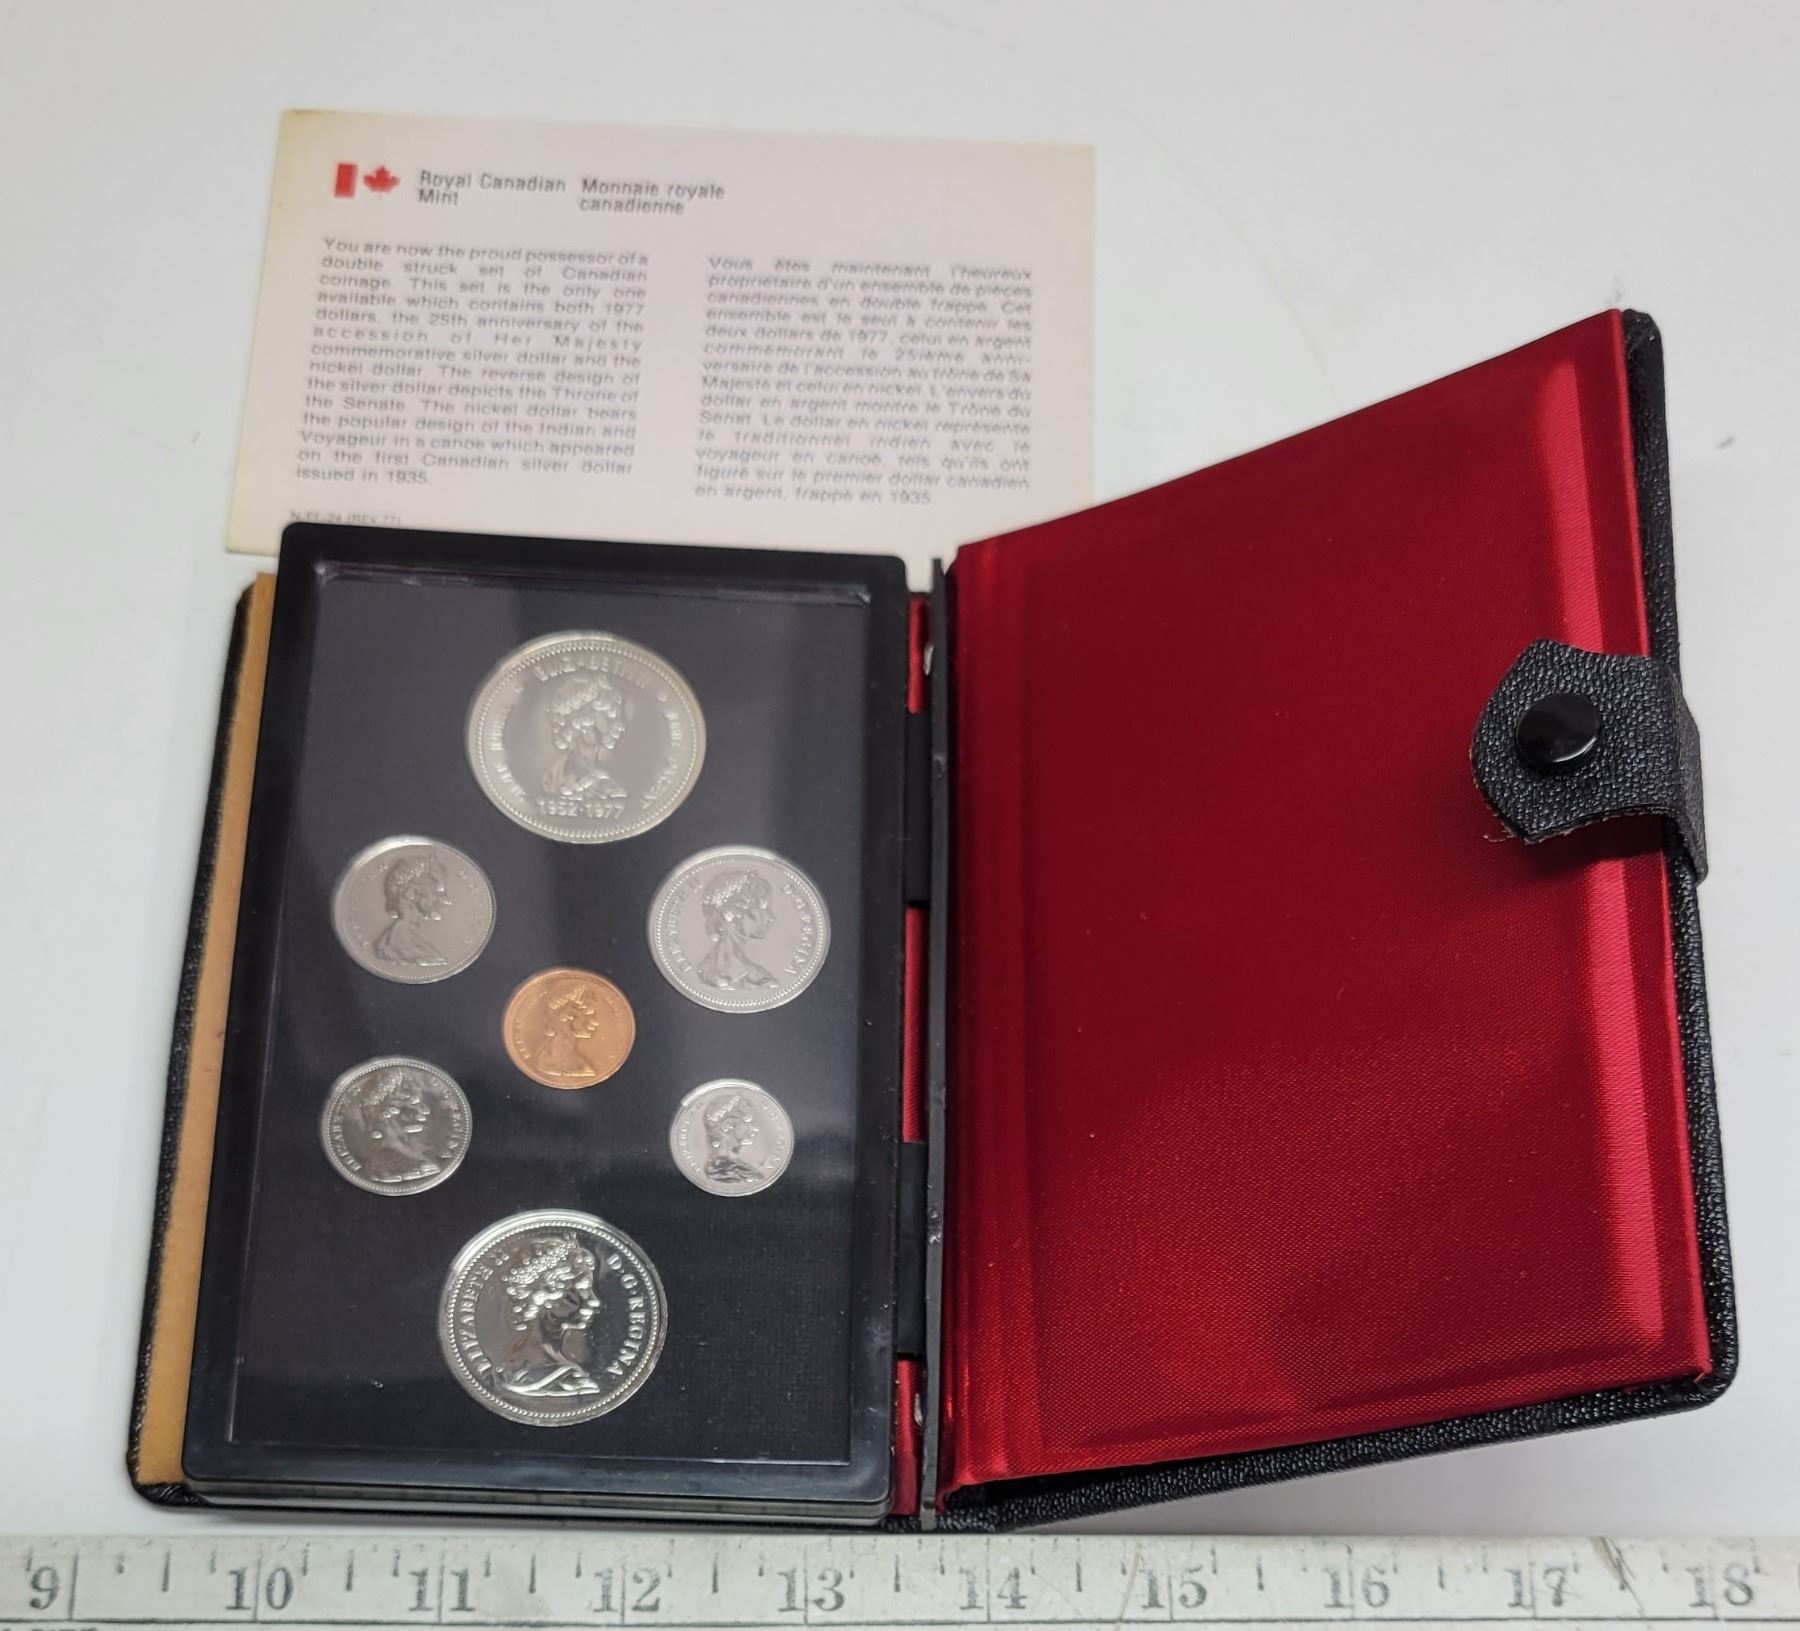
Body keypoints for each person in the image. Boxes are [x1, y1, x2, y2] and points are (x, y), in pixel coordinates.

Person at [497, 1233, 605, 1397]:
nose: (594, 1301)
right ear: (546, 1298)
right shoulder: (572, 1381)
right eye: (579, 1292)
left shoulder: (506, 1369)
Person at [541, 672, 629, 811]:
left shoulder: (607, 784)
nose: (621, 725)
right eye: (612, 715)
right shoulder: (553, 780)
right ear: (583, 722)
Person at [696, 868, 780, 991]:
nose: (771, 917)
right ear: (738, 909)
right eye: (763, 907)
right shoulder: (756, 978)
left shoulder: (757, 974)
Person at [373, 849, 450, 968]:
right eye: (435, 890)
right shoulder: (406, 948)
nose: (446, 900)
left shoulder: (404, 942)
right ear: (411, 893)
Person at [702, 1091, 771, 1185]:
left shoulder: (744, 1170)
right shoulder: (735, 1173)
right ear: (728, 1125)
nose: (755, 1128)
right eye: (747, 1122)